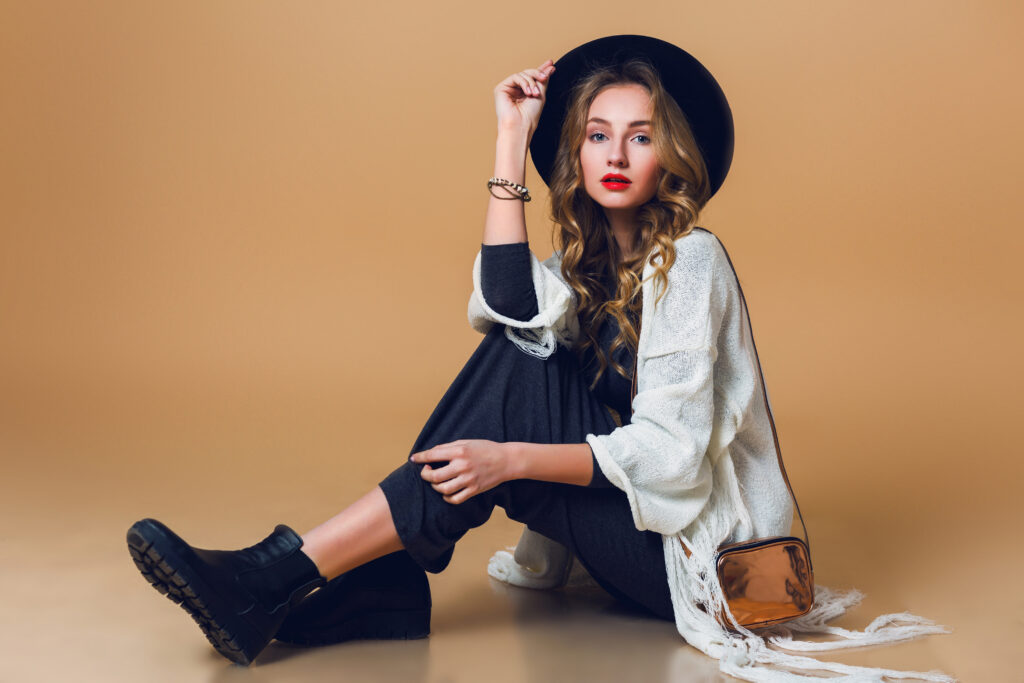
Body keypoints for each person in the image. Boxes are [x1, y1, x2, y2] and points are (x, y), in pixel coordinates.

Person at [126, 35, 953, 681]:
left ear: (669, 156)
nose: (617, 155)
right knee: (521, 350)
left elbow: (669, 454)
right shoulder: (582, 271)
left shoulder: (692, 257)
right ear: (580, 153)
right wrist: (508, 137)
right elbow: (511, 304)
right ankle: (354, 587)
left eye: (640, 137)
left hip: (699, 567)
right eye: (598, 136)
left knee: (518, 384)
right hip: (638, 535)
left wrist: (507, 460)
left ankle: (289, 570)